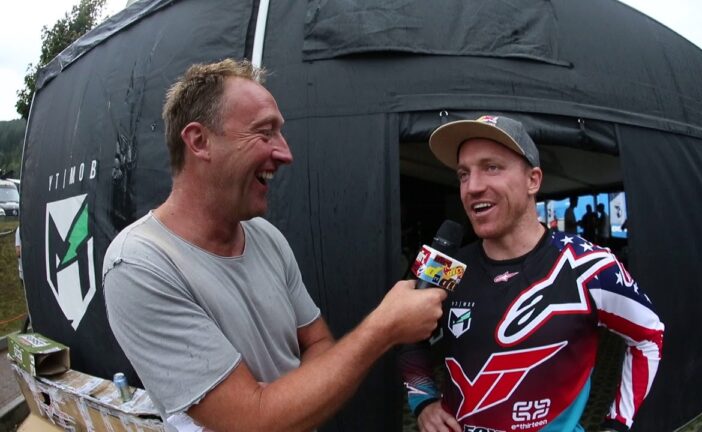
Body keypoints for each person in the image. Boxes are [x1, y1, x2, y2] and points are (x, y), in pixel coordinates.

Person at [102, 59, 447, 432]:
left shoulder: (265, 237)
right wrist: (383, 328)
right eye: (265, 133)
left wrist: (286, 404)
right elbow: (252, 421)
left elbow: (318, 343)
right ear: (199, 141)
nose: (285, 153)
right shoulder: (139, 263)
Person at [399, 115, 664, 432]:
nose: (473, 187)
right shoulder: (443, 265)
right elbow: (408, 336)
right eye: (463, 174)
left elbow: (649, 336)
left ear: (533, 181)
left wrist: (617, 424)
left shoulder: (589, 264)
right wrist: (423, 399)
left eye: (491, 167)